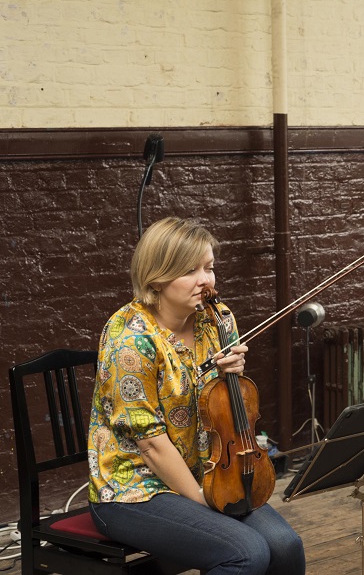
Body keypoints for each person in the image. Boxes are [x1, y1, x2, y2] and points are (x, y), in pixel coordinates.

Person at [87, 217, 305, 575]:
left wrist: (230, 375)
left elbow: (226, 412)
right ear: (157, 276)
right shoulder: (131, 341)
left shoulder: (217, 319)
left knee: (285, 546)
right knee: (246, 553)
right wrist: (202, 501)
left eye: (209, 268)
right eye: (190, 271)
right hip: (133, 489)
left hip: (209, 470)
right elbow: (151, 445)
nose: (205, 280)